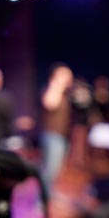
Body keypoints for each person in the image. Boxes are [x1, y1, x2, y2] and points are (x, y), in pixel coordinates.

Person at [39, 63, 75, 200]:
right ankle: (41, 200)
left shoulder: (65, 93)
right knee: (50, 170)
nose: (69, 78)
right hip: (52, 136)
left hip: (62, 136)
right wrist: (57, 84)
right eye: (66, 74)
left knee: (55, 169)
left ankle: (49, 193)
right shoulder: (52, 89)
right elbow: (49, 103)